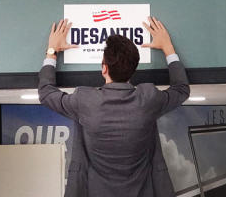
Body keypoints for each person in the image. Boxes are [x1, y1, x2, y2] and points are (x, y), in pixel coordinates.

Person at [39, 16, 189, 197]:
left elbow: (46, 93)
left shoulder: (85, 100)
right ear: (133, 69)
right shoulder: (148, 98)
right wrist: (168, 47)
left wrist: (52, 51)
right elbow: (181, 90)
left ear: (104, 68)